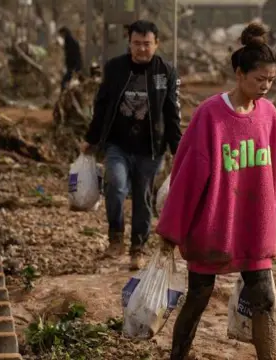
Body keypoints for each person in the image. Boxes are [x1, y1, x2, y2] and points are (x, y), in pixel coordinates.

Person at [157, 22, 276, 360]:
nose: (266, 88)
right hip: (213, 225)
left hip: (252, 225)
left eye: (271, 81)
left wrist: (273, 214)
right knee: (199, 295)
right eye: (260, 80)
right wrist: (172, 229)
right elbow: (187, 176)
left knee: (264, 298)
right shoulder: (210, 115)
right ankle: (178, 355)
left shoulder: (269, 115)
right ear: (239, 74)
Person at [82, 20, 182, 270]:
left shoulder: (165, 72)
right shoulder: (115, 68)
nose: (141, 49)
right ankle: (115, 237)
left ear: (156, 44)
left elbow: (172, 113)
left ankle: (137, 247)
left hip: (151, 148)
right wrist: (91, 139)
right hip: (118, 145)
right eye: (136, 43)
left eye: (147, 44)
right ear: (129, 43)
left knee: (143, 198)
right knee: (115, 185)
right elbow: (102, 105)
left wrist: (178, 149)